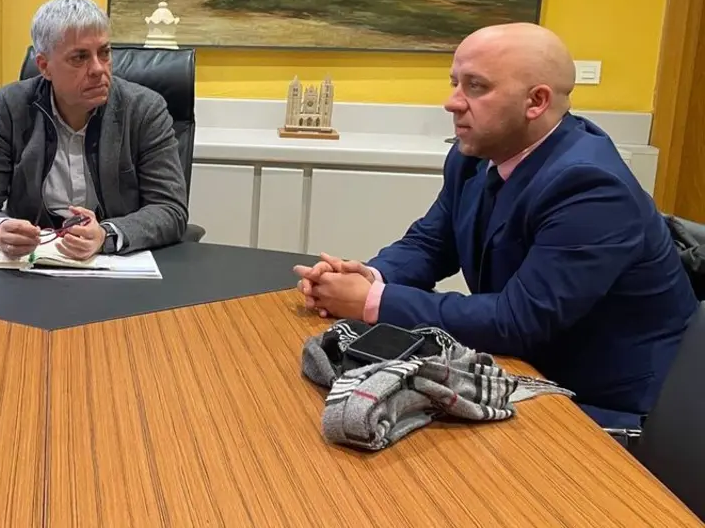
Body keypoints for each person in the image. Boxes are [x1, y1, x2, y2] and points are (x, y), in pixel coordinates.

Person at [294, 23, 697, 428]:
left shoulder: (592, 187)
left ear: (536, 101)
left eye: (475, 87)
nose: (452, 103)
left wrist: (372, 301)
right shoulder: (474, 154)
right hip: (521, 373)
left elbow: (517, 321)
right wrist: (369, 274)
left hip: (603, 404)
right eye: (454, 83)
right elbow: (431, 242)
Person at [0, 0, 187, 260]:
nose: (98, 69)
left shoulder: (144, 110)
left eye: (105, 53)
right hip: (33, 266)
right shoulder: (9, 107)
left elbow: (170, 209)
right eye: (80, 57)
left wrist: (106, 235)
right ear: (44, 67)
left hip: (115, 264)